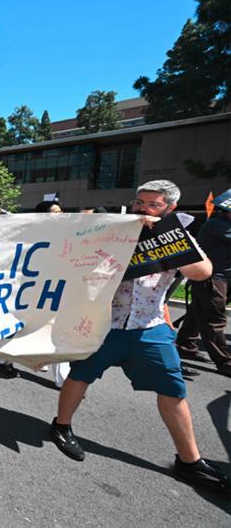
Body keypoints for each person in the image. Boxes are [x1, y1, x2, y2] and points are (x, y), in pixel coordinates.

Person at [49, 180, 228, 493]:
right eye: (139, 202)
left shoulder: (177, 238)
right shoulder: (115, 230)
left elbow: (202, 272)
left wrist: (163, 234)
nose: (142, 209)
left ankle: (189, 461)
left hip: (150, 327)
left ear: (170, 209)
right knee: (80, 375)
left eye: (153, 204)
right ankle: (61, 425)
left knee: (173, 389)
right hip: (105, 324)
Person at [175, 189, 231, 377]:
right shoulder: (218, 225)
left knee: (195, 313)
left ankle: (185, 345)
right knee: (214, 320)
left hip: (220, 278)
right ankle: (224, 362)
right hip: (213, 279)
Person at [35, 200, 70, 389]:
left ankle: (63, 378)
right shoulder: (34, 234)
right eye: (57, 211)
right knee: (32, 327)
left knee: (58, 331)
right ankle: (6, 360)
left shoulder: (68, 232)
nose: (62, 213)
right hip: (36, 290)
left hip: (59, 289)